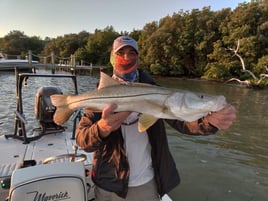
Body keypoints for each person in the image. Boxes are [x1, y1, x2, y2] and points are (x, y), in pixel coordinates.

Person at [75, 36, 236, 201]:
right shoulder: (99, 96)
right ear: (111, 58)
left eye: (132, 53)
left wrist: (210, 121)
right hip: (109, 185)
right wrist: (102, 128)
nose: (126, 57)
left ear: (138, 58)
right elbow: (82, 141)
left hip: (146, 184)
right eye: (120, 53)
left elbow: (185, 123)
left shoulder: (157, 91)